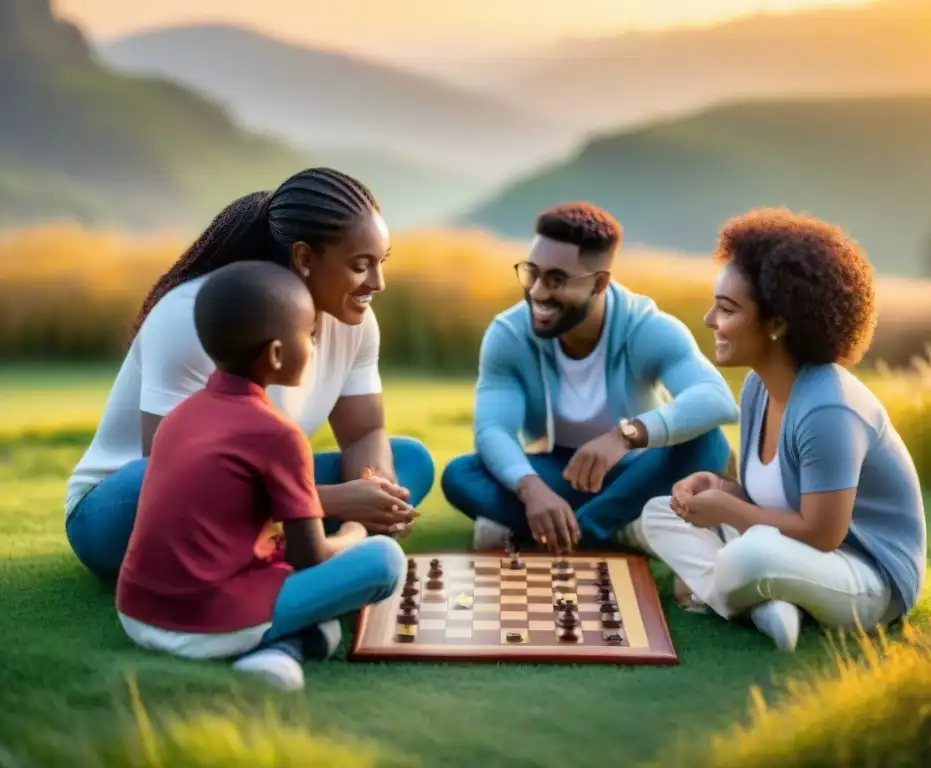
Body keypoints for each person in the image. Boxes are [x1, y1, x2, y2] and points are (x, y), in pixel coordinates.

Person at [65, 168, 434, 583]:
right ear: (305, 259)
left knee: (408, 461)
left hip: (255, 496)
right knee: (147, 487)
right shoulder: (193, 316)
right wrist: (333, 501)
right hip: (127, 506)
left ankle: (323, 547)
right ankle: (315, 551)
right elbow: (175, 476)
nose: (377, 283)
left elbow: (365, 433)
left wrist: (372, 491)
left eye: (381, 263)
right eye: (361, 265)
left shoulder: (356, 322)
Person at [637, 208, 927, 652]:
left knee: (748, 557)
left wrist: (728, 512)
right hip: (795, 551)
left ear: (777, 324)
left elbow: (823, 533)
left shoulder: (828, 408)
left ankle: (740, 595)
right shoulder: (758, 386)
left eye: (728, 308)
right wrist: (716, 487)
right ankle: (765, 605)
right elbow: (767, 500)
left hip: (865, 576)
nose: (710, 319)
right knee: (659, 513)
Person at [116, 261, 405, 690]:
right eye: (308, 336)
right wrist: (357, 529)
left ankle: (285, 647)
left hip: (136, 614)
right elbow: (312, 558)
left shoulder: (180, 417)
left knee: (306, 595)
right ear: (275, 354)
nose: (312, 345)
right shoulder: (277, 435)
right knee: (385, 560)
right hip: (205, 622)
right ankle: (283, 645)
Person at [441, 202, 739, 553]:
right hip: (563, 474)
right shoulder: (509, 333)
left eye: (556, 280)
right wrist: (532, 490)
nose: (537, 292)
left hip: (639, 471)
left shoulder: (647, 327)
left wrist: (625, 436)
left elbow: (716, 398)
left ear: (599, 284)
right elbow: (493, 429)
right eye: (532, 273)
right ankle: (622, 527)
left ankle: (580, 528)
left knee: (709, 443)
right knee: (462, 474)